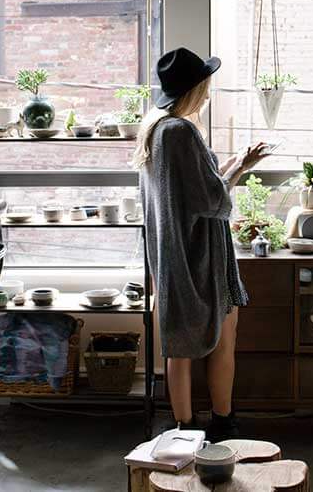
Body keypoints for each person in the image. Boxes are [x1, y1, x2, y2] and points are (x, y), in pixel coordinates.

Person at [133, 47, 269, 441]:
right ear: (193, 89)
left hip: (172, 258)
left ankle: (184, 429)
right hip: (202, 258)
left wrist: (233, 164)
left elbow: (193, 188)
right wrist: (240, 170)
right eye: (205, 87)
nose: (208, 94)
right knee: (224, 341)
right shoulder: (183, 131)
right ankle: (224, 423)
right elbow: (212, 201)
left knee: (177, 347)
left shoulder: (155, 130)